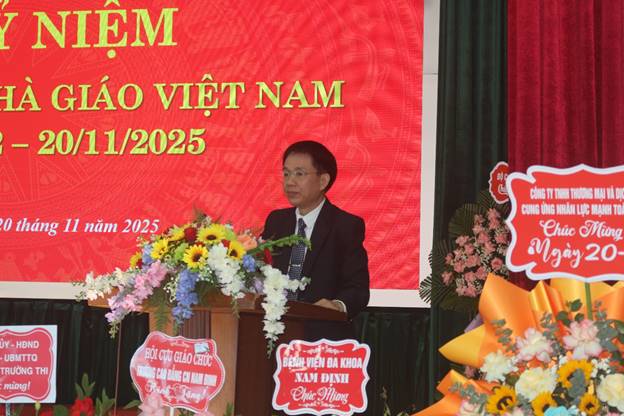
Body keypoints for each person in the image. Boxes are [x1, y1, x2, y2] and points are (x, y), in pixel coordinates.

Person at [262, 140, 370, 341]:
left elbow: (358, 289)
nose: (290, 182)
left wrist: (338, 305)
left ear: (323, 181)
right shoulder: (276, 221)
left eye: (299, 174)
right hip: (275, 333)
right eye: (286, 174)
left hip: (322, 337)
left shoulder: (345, 226)